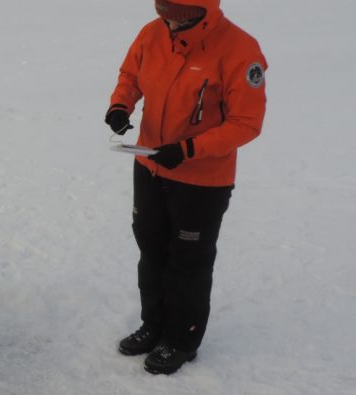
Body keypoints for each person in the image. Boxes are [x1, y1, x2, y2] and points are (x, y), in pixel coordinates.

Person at [104, 0, 267, 374]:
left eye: (178, 14)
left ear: (203, 10)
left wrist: (191, 149)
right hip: (150, 164)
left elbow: (246, 122)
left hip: (201, 179)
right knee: (151, 249)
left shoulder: (240, 50)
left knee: (188, 262)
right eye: (163, 10)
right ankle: (154, 325)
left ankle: (181, 338)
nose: (169, 21)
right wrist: (120, 106)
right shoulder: (152, 32)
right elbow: (130, 74)